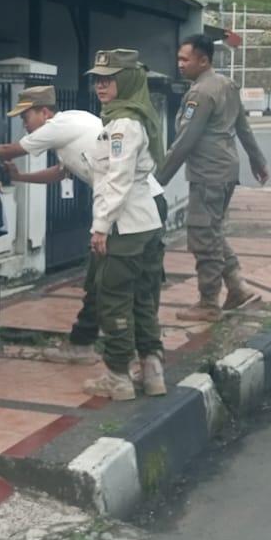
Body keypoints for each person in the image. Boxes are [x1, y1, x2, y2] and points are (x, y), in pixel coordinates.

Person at [0, 86, 168, 395]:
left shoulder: (58, 127)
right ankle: (139, 364)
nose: (24, 122)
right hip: (147, 204)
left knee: (113, 290)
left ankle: (116, 371)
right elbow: (60, 172)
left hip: (125, 208)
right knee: (122, 286)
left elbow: (13, 149)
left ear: (44, 112)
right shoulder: (76, 124)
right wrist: (20, 179)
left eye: (26, 116)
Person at [158, 34, 271, 323]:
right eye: (179, 59)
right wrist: (257, 160)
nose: (180, 64)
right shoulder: (226, 84)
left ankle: (209, 302)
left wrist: (157, 180)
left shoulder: (201, 93)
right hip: (225, 170)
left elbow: (185, 140)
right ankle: (237, 287)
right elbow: (243, 127)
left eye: (185, 59)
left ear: (203, 60)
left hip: (208, 173)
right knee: (213, 231)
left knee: (202, 237)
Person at [82, 49, 166, 401]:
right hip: (146, 222)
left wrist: (101, 226)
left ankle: (118, 376)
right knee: (143, 298)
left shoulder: (123, 124)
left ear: (128, 79)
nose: (101, 85)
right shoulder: (134, 117)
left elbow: (118, 179)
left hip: (125, 226)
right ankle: (152, 372)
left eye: (109, 78)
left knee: (114, 299)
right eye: (98, 79)